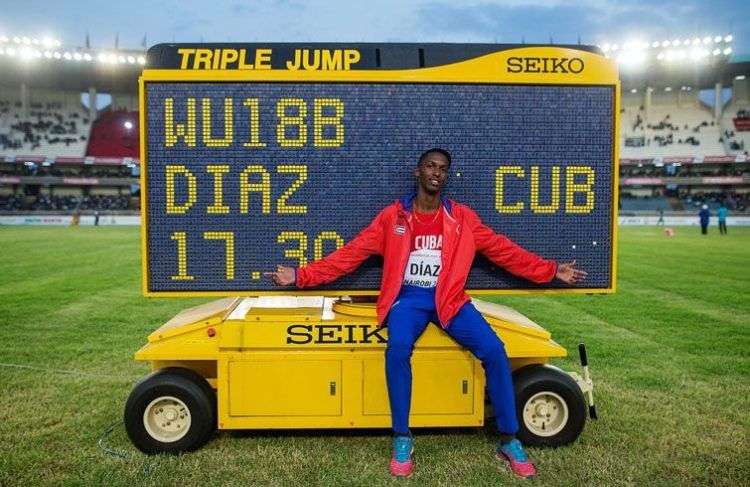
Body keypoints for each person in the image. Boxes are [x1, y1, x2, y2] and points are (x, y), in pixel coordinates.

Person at [265, 149, 587, 479]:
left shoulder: (463, 220)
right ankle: (402, 438)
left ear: (446, 176)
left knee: (494, 350)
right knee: (398, 349)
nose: (437, 172)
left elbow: (505, 252)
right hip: (409, 300)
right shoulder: (393, 217)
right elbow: (350, 254)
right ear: (418, 172)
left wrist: (550, 270)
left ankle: (509, 439)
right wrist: (301, 276)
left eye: (443, 169)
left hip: (450, 300)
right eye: (431, 166)